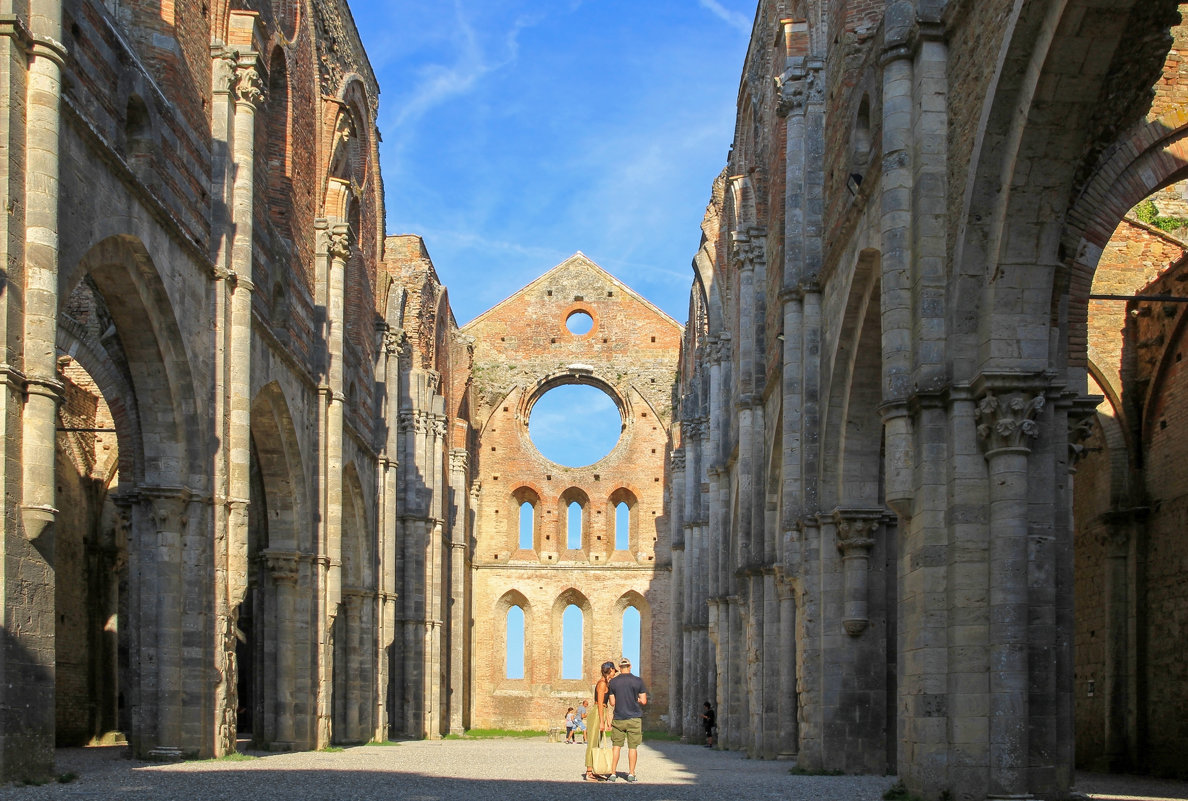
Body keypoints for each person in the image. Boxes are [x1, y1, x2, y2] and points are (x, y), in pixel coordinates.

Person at [606, 657, 647, 782]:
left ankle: (613, 773)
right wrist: (636, 699)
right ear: (630, 666)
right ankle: (631, 773)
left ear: (619, 668)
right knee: (632, 747)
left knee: (616, 746)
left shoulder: (613, 682)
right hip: (634, 717)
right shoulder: (638, 681)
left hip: (618, 717)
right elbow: (644, 701)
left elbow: (612, 703)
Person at [584, 661, 617, 781]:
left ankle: (595, 769)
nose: (614, 673)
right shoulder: (602, 684)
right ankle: (588, 772)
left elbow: (606, 705)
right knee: (593, 741)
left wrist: (608, 720)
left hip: (602, 712)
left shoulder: (607, 683)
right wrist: (602, 721)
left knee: (598, 741)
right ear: (611, 670)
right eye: (614, 671)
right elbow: (599, 704)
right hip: (597, 713)